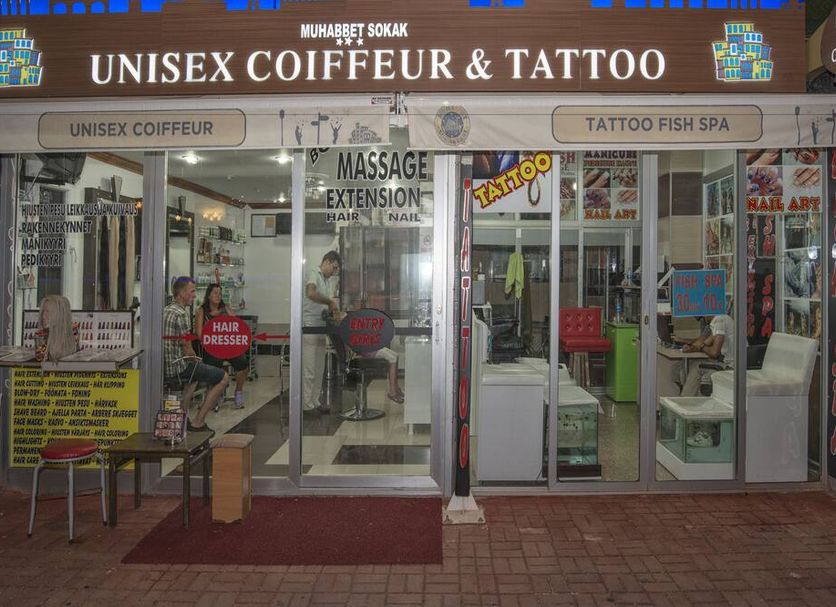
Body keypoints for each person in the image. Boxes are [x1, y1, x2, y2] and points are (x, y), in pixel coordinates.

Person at [163, 276, 229, 436]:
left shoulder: (167, 310)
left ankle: (181, 419)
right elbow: (187, 348)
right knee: (223, 377)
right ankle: (198, 422)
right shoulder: (181, 314)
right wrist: (198, 359)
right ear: (181, 293)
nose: (194, 295)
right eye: (192, 292)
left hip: (166, 365)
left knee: (194, 378)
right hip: (178, 367)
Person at [195, 282, 248, 410]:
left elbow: (236, 326)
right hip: (212, 348)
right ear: (208, 295)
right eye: (215, 293)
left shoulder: (226, 308)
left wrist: (228, 313)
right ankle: (216, 393)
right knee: (214, 364)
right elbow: (199, 334)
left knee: (243, 363)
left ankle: (238, 391)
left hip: (228, 347)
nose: (218, 296)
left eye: (220, 293)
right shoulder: (202, 311)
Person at [333, 310, 404, 403]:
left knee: (395, 355)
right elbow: (350, 348)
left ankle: (395, 387)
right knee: (393, 358)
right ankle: (392, 392)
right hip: (365, 351)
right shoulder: (344, 332)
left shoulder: (348, 329)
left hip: (369, 347)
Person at [302, 251, 341, 417]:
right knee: (309, 369)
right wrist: (330, 302)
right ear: (327, 261)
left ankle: (315, 402)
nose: (334, 271)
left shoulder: (326, 280)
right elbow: (310, 293)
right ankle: (306, 405)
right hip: (309, 328)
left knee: (319, 368)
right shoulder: (314, 273)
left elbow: (324, 305)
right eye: (334, 267)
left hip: (320, 327)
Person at [679, 314, 734, 397]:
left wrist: (701, 346)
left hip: (730, 366)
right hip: (727, 363)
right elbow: (705, 343)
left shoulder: (719, 320)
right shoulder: (721, 319)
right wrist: (691, 348)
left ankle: (685, 399)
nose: (704, 318)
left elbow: (714, 353)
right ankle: (687, 398)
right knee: (695, 365)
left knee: (697, 367)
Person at [39, 295, 77, 362]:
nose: (43, 316)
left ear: (60, 315)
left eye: (48, 312)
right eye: (43, 311)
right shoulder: (43, 339)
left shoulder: (67, 346)